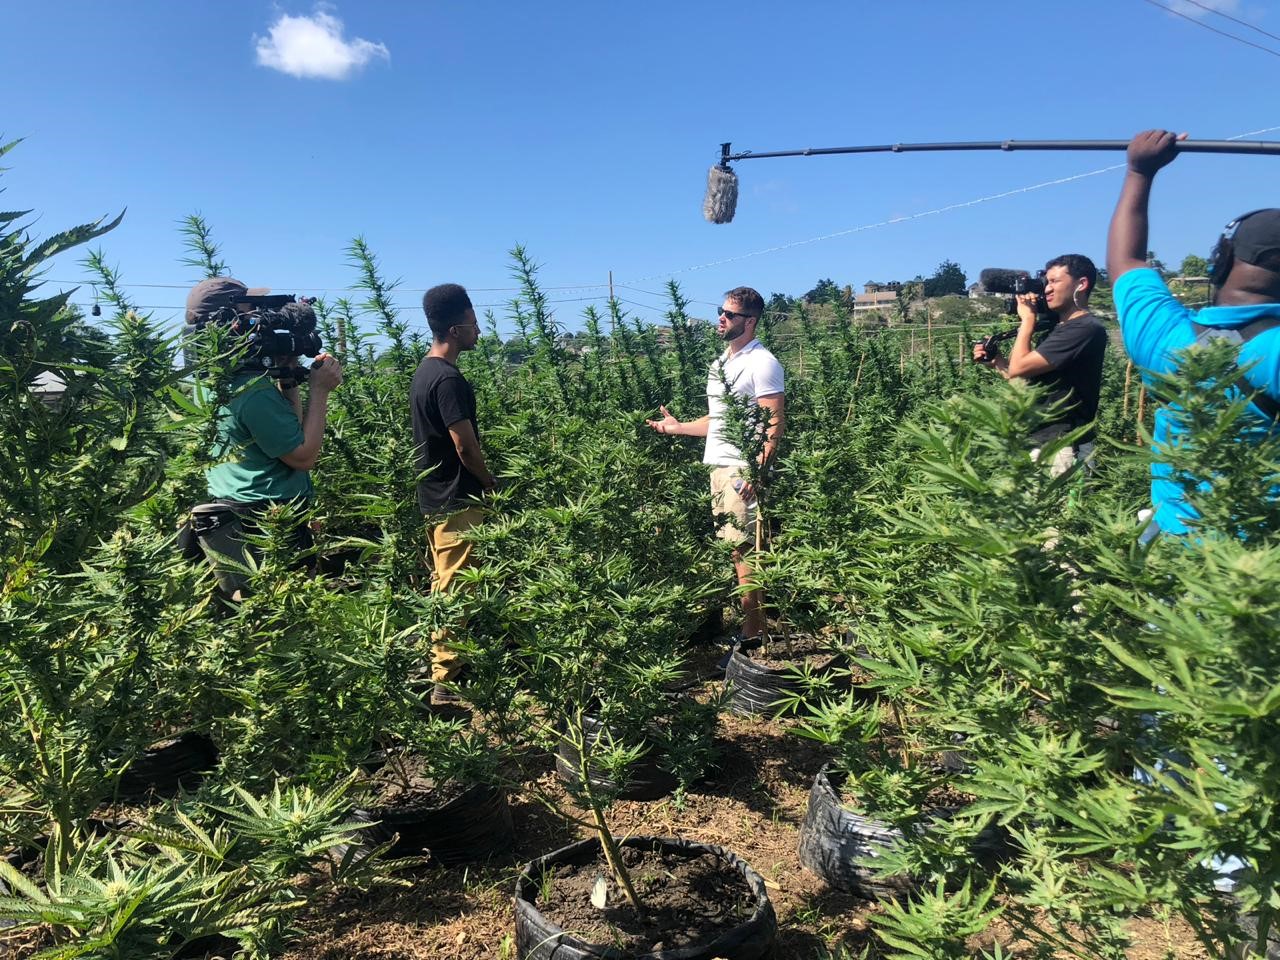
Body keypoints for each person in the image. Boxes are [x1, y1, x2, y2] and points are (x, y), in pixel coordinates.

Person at [1108, 128, 1280, 537]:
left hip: (1174, 547)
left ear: (1220, 261)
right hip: (1258, 566)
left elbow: (1126, 259)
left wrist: (1139, 172)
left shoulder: (1164, 333)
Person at [646, 286, 785, 647]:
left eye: (729, 314)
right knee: (732, 550)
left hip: (742, 468)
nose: (720, 319)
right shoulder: (720, 364)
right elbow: (717, 420)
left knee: (745, 554)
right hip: (718, 466)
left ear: (750, 321)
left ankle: (753, 633)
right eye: (719, 311)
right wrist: (678, 428)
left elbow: (774, 422)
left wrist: (757, 471)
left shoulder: (763, 363)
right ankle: (749, 627)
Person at [189, 277, 343, 598]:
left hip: (238, 516)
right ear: (230, 320)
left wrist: (289, 382)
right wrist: (320, 390)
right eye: (253, 309)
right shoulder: (251, 391)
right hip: (268, 523)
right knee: (288, 614)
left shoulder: (212, 383)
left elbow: (289, 431)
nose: (262, 317)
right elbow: (302, 455)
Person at [410, 283, 497, 704]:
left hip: (434, 493)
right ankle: (445, 679)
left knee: (444, 581)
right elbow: (463, 443)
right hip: (456, 496)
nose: (479, 330)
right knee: (454, 586)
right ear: (455, 329)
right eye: (474, 322)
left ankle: (452, 661)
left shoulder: (424, 372)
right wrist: (487, 481)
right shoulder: (447, 379)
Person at [973, 255, 1109, 475]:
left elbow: (1019, 367)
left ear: (1081, 284)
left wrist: (1027, 320)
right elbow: (1021, 377)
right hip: (1044, 442)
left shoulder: (1085, 328)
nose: (1047, 289)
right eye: (1046, 282)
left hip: (1065, 446)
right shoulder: (1060, 329)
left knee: (1061, 509)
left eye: (1055, 281)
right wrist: (997, 362)